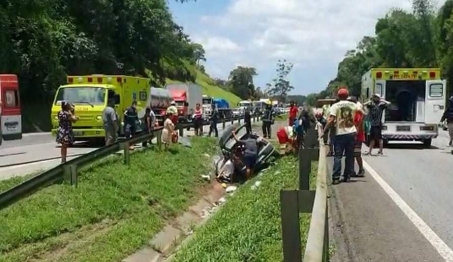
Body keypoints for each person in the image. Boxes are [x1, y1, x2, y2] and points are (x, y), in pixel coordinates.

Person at [321, 88, 362, 184]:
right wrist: (357, 127)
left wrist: (324, 130)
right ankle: (347, 176)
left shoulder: (335, 106)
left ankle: (336, 177)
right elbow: (363, 114)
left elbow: (331, 120)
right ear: (347, 96)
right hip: (351, 133)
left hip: (340, 134)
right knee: (349, 156)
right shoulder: (353, 105)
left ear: (338, 96)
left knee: (338, 156)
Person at [347, 96, 365, 177]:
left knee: (357, 154)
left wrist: (356, 130)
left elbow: (358, 122)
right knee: (351, 154)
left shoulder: (356, 111)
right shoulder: (351, 111)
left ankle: (361, 169)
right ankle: (352, 170)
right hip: (351, 135)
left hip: (357, 136)